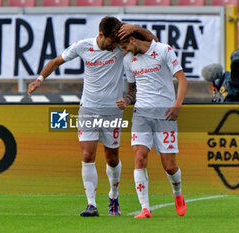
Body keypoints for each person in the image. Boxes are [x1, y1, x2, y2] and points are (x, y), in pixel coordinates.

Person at [28, 16, 157, 217]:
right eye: (111, 41)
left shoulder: (119, 48)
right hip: (88, 108)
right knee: (87, 155)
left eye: (117, 42)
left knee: (112, 159)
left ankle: (113, 196)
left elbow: (153, 43)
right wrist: (39, 79)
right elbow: (56, 61)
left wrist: (135, 28)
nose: (114, 45)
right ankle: (91, 204)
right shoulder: (83, 46)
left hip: (112, 112)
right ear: (100, 35)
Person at [116, 34, 188, 218]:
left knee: (169, 166)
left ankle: (178, 195)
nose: (124, 52)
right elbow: (132, 90)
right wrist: (126, 100)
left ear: (132, 39)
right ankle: (145, 208)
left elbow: (182, 79)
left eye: (125, 47)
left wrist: (177, 106)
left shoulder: (163, 50)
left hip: (165, 115)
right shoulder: (128, 60)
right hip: (141, 115)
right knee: (139, 157)